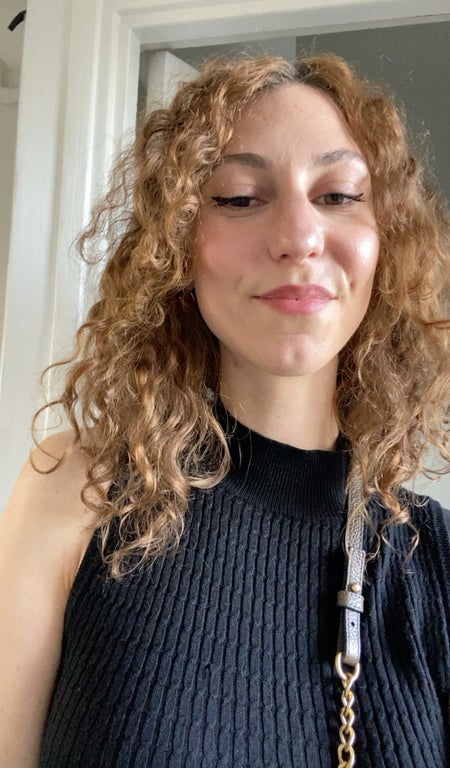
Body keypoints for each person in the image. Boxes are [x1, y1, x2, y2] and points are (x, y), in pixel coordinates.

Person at [0, 53, 449, 768]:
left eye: (338, 195)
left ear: (386, 240)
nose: (298, 236)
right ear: (179, 243)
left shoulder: (436, 559)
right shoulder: (75, 492)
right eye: (240, 198)